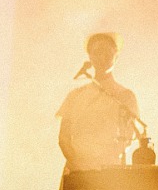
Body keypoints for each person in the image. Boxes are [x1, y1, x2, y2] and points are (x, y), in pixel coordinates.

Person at [57, 32, 141, 181]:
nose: (102, 57)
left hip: (109, 174)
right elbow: (63, 137)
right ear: (90, 57)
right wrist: (78, 164)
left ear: (116, 56)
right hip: (75, 172)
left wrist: (104, 162)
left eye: (107, 52)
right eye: (97, 52)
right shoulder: (75, 95)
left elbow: (128, 137)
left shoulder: (125, 96)